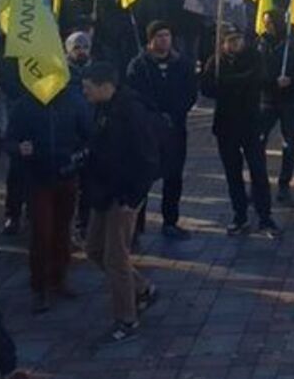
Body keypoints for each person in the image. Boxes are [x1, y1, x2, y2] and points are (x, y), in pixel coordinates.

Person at [6, 44, 94, 312]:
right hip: (38, 176)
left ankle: (59, 278)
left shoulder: (74, 101)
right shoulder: (25, 105)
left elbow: (88, 134)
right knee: (41, 233)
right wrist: (18, 148)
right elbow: (8, 140)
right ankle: (39, 286)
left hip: (67, 175)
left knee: (62, 230)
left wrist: (79, 156)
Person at [79, 62, 157, 346]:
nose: (84, 93)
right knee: (93, 249)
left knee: (116, 257)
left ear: (104, 86)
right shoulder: (103, 108)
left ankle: (126, 317)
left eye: (87, 88)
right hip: (104, 192)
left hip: (123, 197)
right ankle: (142, 288)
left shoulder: (131, 112)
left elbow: (148, 159)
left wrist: (133, 198)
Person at [125, 20, 199, 240]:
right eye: (159, 36)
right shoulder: (139, 65)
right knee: (142, 177)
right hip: (148, 130)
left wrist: (176, 113)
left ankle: (170, 221)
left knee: (173, 176)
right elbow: (134, 94)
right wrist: (153, 115)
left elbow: (190, 93)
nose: (164, 40)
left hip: (175, 129)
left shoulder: (182, 64)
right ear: (150, 40)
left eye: (167, 35)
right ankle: (136, 225)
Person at [202, 27, 280, 236]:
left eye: (238, 39)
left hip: (251, 123)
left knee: (258, 171)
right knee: (233, 173)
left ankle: (265, 216)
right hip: (226, 125)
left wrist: (228, 82)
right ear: (223, 43)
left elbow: (258, 80)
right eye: (231, 40)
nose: (235, 44)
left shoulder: (254, 57)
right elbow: (207, 88)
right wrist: (228, 82)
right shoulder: (215, 62)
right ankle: (240, 215)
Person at [262, 10, 294, 205]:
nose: (268, 27)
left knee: (288, 142)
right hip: (267, 98)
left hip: (289, 98)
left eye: (272, 23)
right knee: (259, 140)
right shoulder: (261, 43)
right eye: (266, 23)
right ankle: (259, 182)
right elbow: (258, 68)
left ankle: (284, 183)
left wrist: (291, 79)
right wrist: (272, 81)